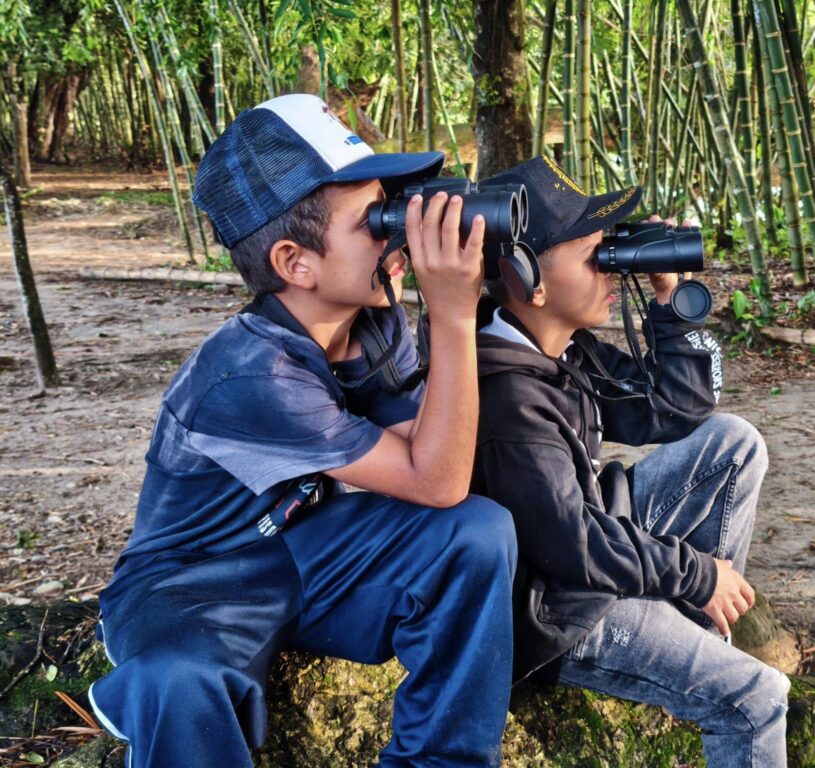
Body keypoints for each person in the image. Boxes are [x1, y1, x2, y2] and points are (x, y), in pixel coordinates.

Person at [87, 94, 517, 768]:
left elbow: (434, 470)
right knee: (179, 681)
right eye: (374, 222)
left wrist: (454, 309)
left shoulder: (372, 325)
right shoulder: (247, 374)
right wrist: (453, 316)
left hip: (305, 555)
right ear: (295, 263)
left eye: (391, 207)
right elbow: (433, 479)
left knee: (477, 533)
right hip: (193, 587)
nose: (396, 234)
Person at [470, 156, 789, 767]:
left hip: (585, 545)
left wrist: (669, 300)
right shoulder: (506, 396)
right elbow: (574, 546)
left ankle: (697, 637)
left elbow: (674, 411)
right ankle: (705, 656)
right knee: (758, 697)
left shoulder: (553, 344)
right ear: (527, 277)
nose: (610, 264)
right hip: (562, 612)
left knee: (734, 442)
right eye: (593, 251)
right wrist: (696, 573)